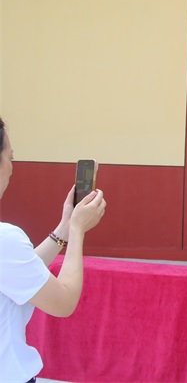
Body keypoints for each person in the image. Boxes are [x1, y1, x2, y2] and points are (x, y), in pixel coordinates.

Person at [0, 115, 108, 383]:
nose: (12, 168)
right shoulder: (6, 239)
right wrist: (77, 231)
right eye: (10, 157)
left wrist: (64, 228)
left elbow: (17, 272)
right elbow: (64, 301)